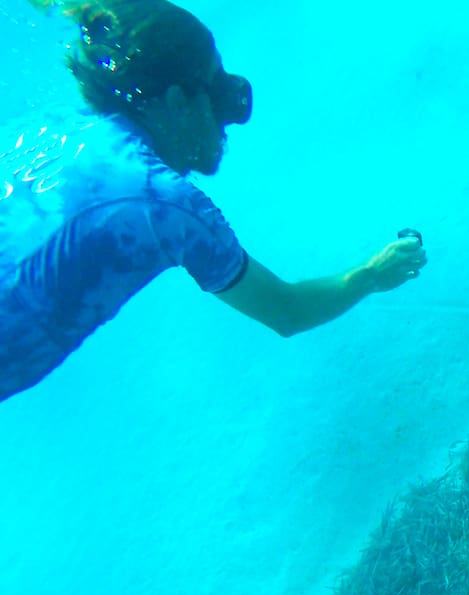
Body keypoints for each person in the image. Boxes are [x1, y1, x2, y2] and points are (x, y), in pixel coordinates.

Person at [1, 0, 427, 402]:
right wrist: (372, 274)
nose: (228, 120)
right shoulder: (164, 203)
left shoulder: (39, 129)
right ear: (176, 101)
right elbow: (287, 311)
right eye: (217, 93)